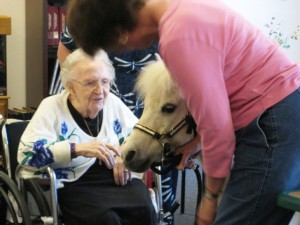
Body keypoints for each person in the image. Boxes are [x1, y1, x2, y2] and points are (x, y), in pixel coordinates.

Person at [66, 0, 300, 225]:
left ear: (120, 31)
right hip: (280, 114)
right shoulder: (184, 9)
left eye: (120, 47)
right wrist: (195, 143)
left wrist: (209, 198)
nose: (131, 50)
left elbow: (216, 127)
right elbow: (219, 97)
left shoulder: (177, 36)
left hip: (272, 121)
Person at [17, 48, 157, 225]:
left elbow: (140, 137)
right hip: (77, 183)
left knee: (144, 209)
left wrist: (124, 157)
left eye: (105, 82)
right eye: (90, 83)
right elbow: (27, 153)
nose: (100, 90)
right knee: (106, 219)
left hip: (117, 179)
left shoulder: (112, 102)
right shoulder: (51, 107)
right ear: (70, 86)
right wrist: (76, 149)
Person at [57, 27, 179, 225]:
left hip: (157, 108)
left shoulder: (166, 16)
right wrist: (80, 87)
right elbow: (65, 48)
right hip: (103, 101)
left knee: (158, 198)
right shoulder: (94, 10)